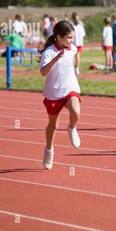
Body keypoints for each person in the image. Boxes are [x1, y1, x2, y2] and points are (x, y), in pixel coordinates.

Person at [39, 20, 82, 170]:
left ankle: (71, 128)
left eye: (72, 37)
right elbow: (43, 72)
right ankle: (49, 150)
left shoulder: (73, 49)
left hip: (70, 88)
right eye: (69, 37)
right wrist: (55, 59)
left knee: (76, 112)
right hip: (53, 92)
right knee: (52, 125)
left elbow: (74, 56)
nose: (72, 41)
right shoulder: (49, 52)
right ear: (58, 37)